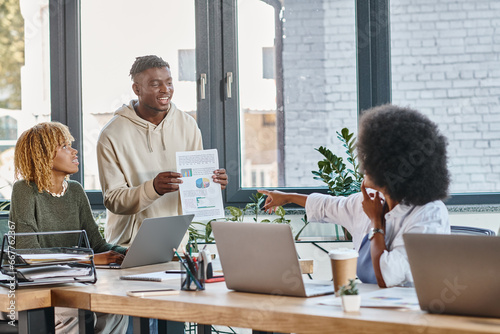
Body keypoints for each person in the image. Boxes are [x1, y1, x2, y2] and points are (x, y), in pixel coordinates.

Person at [259, 104, 451, 288]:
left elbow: (387, 276)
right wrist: (287, 197)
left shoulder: (429, 214)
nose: (364, 164)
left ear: (391, 165)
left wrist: (376, 222)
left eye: (371, 157)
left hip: (409, 313)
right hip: (368, 307)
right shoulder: (372, 201)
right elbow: (328, 206)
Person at [97, 55, 228, 246]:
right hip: (128, 245)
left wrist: (212, 183)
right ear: (137, 89)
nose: (165, 89)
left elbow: (194, 187)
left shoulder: (188, 125)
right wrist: (154, 188)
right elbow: (113, 200)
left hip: (175, 242)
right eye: (155, 84)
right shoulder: (111, 134)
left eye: (169, 82)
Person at [10, 122, 128, 333]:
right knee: (75, 312)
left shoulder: (75, 191)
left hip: (73, 284)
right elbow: (29, 253)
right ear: (43, 155)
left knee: (115, 308)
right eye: (64, 146)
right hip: (36, 289)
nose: (74, 151)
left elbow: (97, 244)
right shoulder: (25, 191)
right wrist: (86, 259)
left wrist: (129, 252)